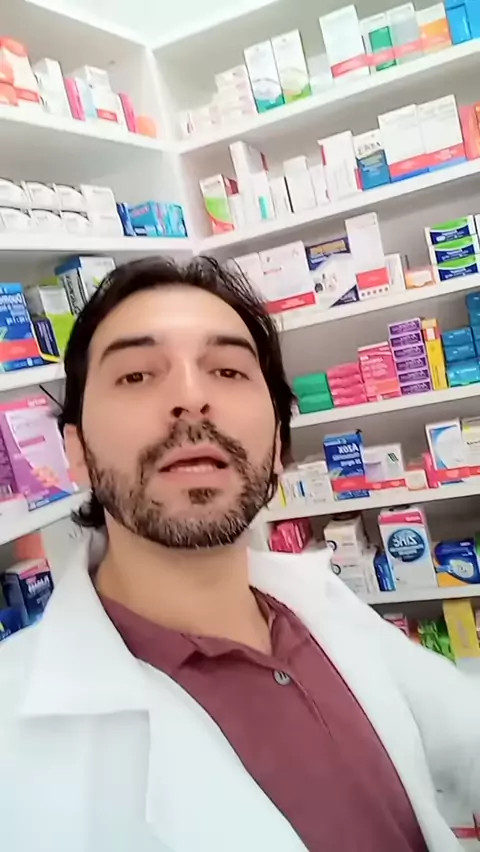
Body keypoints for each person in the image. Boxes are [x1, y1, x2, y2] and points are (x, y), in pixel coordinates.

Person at [0, 256, 479, 852]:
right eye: (136, 375)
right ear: (76, 452)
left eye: (227, 370)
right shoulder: (12, 741)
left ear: (277, 443)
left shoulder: (321, 603)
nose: (190, 397)